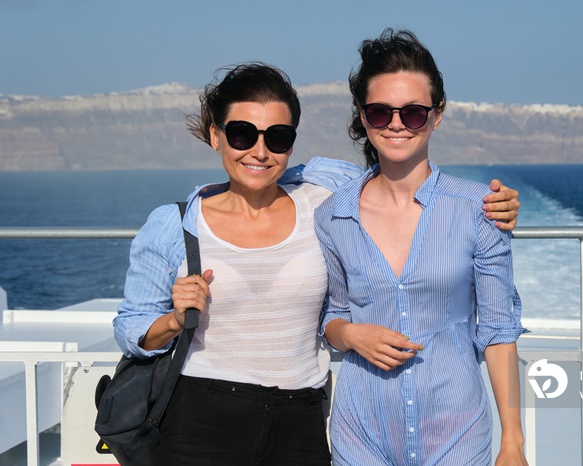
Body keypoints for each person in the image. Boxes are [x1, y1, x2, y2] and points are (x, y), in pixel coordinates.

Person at [113, 63, 521, 465]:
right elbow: (131, 327)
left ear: (291, 143)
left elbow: (394, 175)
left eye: (277, 137)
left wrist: (495, 204)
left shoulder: (322, 198)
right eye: (241, 134)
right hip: (202, 420)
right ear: (216, 136)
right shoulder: (175, 224)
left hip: (300, 420)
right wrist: (172, 319)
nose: (259, 151)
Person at [315, 29, 529, 466]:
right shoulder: (333, 215)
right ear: (362, 116)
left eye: (413, 113)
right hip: (362, 435)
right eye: (380, 112)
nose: (396, 124)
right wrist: (351, 334)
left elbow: (498, 333)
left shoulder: (479, 209)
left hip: (457, 433)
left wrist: (513, 444)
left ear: (437, 115)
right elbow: (333, 314)